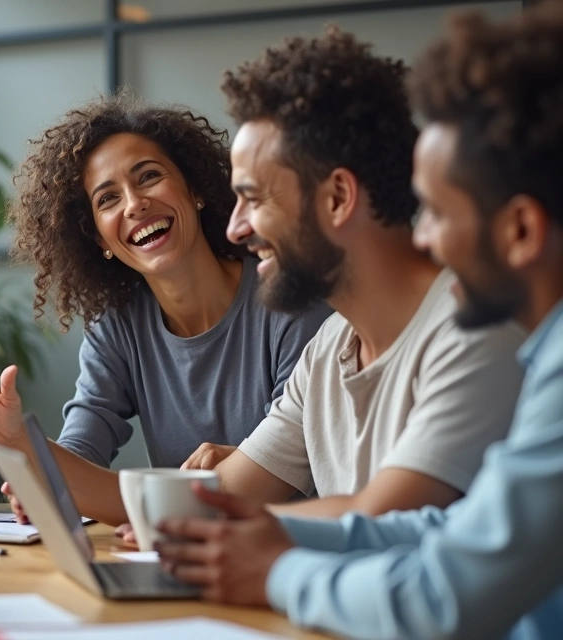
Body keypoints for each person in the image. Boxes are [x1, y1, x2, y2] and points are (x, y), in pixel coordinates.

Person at [156, 6, 563, 638]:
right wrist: (257, 534)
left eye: (435, 212)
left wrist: (276, 570)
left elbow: (447, 596)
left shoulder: (523, 353)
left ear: (520, 231)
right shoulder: (543, 357)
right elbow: (454, 530)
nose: (421, 236)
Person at [0, 96, 331, 525]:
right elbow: (84, 442)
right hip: (182, 556)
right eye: (108, 199)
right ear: (100, 240)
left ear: (196, 189)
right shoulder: (118, 325)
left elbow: (284, 468)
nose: (134, 204)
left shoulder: (290, 303)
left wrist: (41, 462)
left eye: (148, 176)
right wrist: (43, 476)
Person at [176, 25, 525, 519]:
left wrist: (203, 526)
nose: (235, 229)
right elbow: (224, 497)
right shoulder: (329, 347)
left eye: (253, 199)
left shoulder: (473, 332)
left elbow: (380, 523)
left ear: (338, 198)